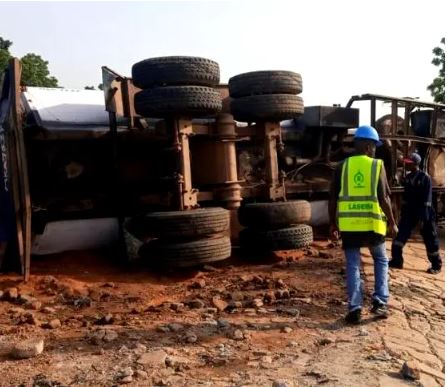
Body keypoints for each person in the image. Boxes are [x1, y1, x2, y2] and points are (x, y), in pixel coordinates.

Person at [329, 125, 398, 324]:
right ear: (368, 147)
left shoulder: (342, 166)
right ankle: (379, 303)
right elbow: (384, 198)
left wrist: (333, 223)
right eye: (374, 146)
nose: (375, 150)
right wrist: (392, 223)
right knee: (380, 260)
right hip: (372, 225)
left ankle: (355, 308)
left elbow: (332, 198)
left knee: (352, 265)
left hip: (350, 226)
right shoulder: (377, 165)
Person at [389, 152, 442, 274]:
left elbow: (427, 201)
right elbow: (405, 198)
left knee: (430, 239)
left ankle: (436, 265)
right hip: (409, 212)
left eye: (409, 164)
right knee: (400, 235)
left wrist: (423, 219)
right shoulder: (407, 178)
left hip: (425, 213)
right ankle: (397, 260)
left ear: (416, 164)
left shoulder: (425, 178)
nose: (406, 166)